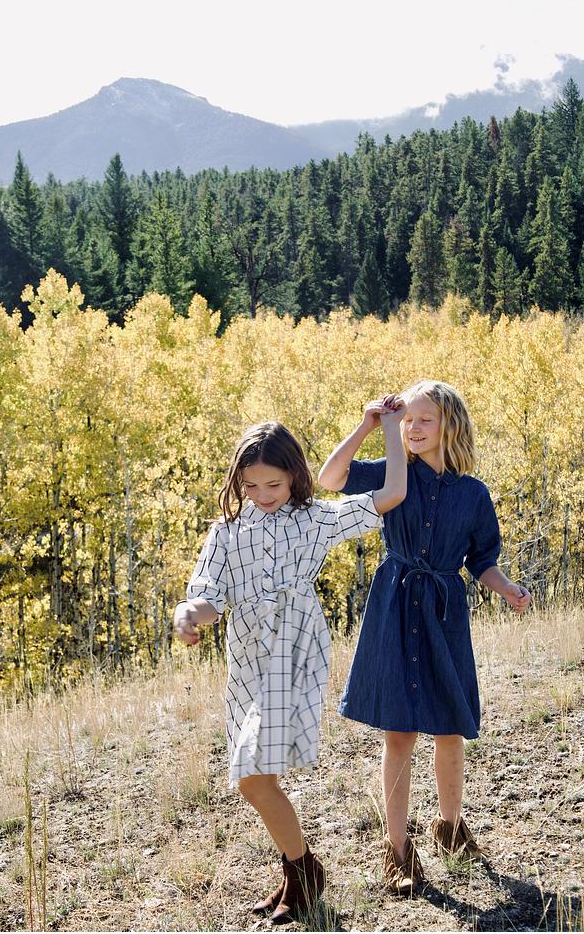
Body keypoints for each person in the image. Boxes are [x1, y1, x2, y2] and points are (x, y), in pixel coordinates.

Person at [174, 409, 406, 923]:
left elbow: (391, 494)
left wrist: (382, 428)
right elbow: (209, 597)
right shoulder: (227, 532)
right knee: (260, 776)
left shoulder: (314, 519)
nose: (262, 494)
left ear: (295, 475)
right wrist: (187, 614)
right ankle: (298, 874)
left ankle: (303, 872)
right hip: (247, 660)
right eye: (251, 485)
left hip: (295, 650)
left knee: (250, 775)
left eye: (273, 484)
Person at [318, 380, 530, 895]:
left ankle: (451, 829)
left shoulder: (473, 494)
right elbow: (330, 477)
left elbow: (482, 560)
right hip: (394, 606)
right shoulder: (392, 472)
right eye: (408, 420)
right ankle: (397, 851)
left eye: (424, 419)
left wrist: (506, 588)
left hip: (443, 613)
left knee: (449, 728)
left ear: (449, 425)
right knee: (399, 733)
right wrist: (368, 425)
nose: (412, 428)